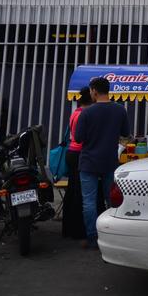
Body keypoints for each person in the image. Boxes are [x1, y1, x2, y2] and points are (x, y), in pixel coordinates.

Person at [74, 77, 131, 248]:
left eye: (91, 91)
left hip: (88, 162)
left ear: (94, 91)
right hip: (110, 161)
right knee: (111, 200)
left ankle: (92, 238)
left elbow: (78, 138)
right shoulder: (120, 110)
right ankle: (110, 237)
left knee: (89, 202)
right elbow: (125, 133)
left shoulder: (86, 112)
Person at [62, 86, 93, 240]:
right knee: (80, 192)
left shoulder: (75, 112)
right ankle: (78, 230)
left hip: (71, 152)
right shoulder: (86, 114)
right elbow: (83, 137)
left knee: (72, 189)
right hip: (80, 153)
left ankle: (68, 228)